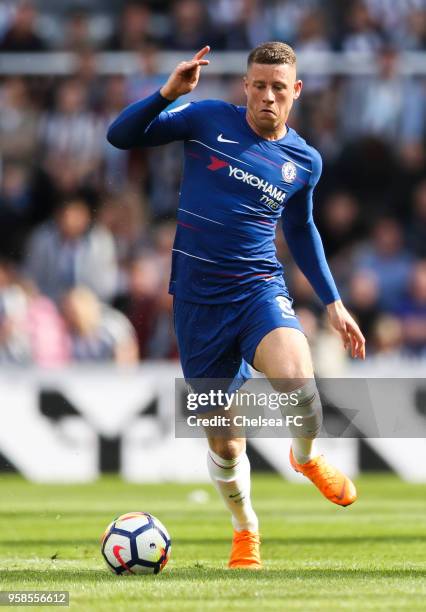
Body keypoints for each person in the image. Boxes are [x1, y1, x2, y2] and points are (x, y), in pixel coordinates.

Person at [107, 42, 365, 570]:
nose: (267, 96)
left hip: (257, 289)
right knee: (226, 446)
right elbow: (121, 136)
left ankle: (306, 456)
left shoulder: (304, 162)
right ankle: (246, 531)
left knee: (298, 380)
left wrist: (334, 303)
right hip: (198, 303)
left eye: (278, 88)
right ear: (245, 86)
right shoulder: (206, 119)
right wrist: (165, 94)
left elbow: (301, 229)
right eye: (259, 85)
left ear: (295, 92)